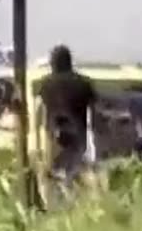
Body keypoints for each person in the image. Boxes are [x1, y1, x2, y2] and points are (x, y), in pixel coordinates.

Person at [36, 45, 98, 182]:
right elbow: (94, 112)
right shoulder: (83, 83)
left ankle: (52, 201)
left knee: (50, 179)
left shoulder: (46, 84)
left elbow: (39, 112)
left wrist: (39, 142)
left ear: (53, 63)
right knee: (77, 179)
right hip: (78, 139)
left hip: (54, 139)